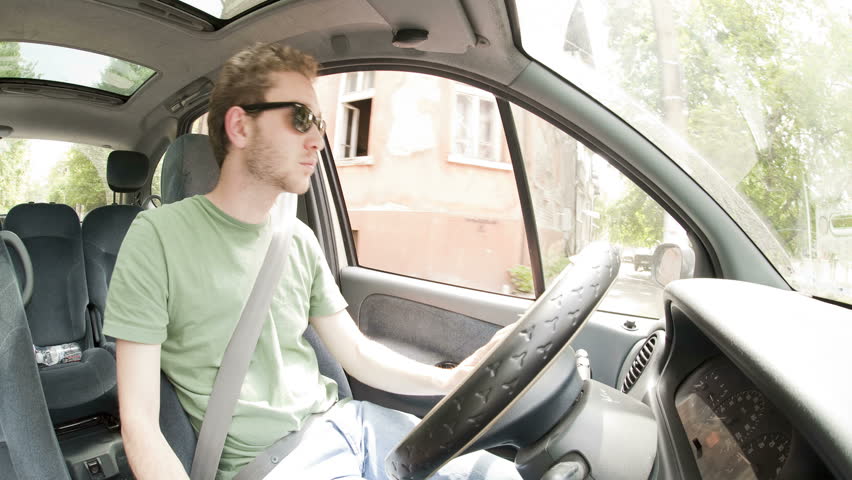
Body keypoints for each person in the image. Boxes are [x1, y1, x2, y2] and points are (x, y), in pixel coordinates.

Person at [103, 43, 521, 480]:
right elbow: (140, 423)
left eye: (319, 121)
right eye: (300, 117)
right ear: (240, 126)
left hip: (355, 425)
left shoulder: (298, 239)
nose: (319, 138)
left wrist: (450, 381)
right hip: (278, 463)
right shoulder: (156, 237)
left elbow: (355, 352)